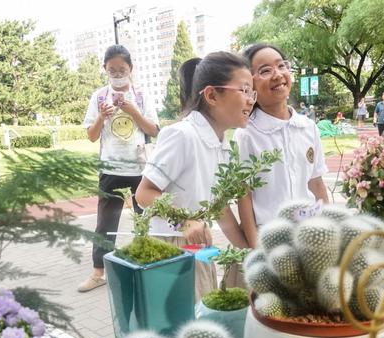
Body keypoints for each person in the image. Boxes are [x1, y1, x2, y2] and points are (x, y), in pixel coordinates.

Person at [136, 51, 254, 301]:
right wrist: (186, 222)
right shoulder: (182, 135)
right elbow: (144, 193)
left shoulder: (222, 144)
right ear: (212, 95)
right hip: (170, 248)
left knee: (202, 323)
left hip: (198, 247)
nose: (250, 100)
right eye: (244, 90)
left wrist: (249, 255)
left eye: (251, 92)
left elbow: (221, 211)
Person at [78, 45, 160, 293]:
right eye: (112, 70)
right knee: (105, 222)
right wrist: (102, 116)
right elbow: (91, 136)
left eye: (122, 69)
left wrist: (132, 110)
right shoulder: (99, 96)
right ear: (104, 69)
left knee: (144, 219)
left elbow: (154, 130)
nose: (117, 74)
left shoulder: (142, 95)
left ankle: (144, 267)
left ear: (131, 69)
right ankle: (98, 272)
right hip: (110, 167)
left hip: (140, 167)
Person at [236, 43, 330, 248]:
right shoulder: (246, 135)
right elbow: (244, 196)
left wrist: (328, 230)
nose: (277, 74)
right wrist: (256, 249)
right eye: (265, 70)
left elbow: (316, 184)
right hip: (269, 240)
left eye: (281, 66)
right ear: (249, 83)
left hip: (308, 237)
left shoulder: (308, 127)